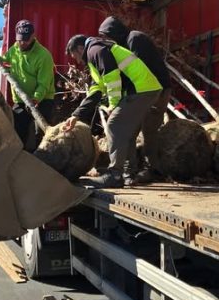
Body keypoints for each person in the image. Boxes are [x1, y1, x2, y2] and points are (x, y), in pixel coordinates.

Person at [63, 34, 161, 188]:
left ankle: (114, 175)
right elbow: (97, 89)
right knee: (125, 130)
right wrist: (76, 115)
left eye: (75, 55)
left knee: (114, 125)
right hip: (144, 88)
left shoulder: (95, 50)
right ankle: (128, 174)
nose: (77, 60)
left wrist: (113, 105)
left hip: (140, 89)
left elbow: (112, 77)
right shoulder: (96, 51)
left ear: (80, 48)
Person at [98, 16, 172, 179]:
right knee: (132, 129)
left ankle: (153, 170)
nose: (107, 40)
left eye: (107, 36)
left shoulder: (135, 39)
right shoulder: (124, 43)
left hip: (156, 90)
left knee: (149, 129)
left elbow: (139, 72)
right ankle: (132, 169)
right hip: (143, 91)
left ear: (114, 32)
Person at [3, 19, 55, 150]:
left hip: (42, 99)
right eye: (20, 39)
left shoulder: (44, 56)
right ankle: (18, 157)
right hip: (21, 99)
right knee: (17, 130)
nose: (22, 43)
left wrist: (36, 98)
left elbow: (44, 83)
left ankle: (43, 160)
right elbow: (3, 62)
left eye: (26, 39)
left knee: (41, 133)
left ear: (33, 36)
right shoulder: (13, 50)